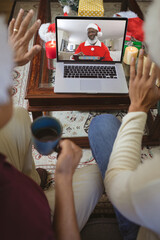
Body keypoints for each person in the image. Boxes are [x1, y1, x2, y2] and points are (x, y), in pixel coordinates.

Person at [0, 9, 104, 239]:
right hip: (38, 215)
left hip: (22, 189)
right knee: (97, 175)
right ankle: (37, 184)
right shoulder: (16, 203)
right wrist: (64, 177)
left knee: (18, 116)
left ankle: (34, 179)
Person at [88, 0, 160, 239]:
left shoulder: (103, 46)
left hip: (142, 226)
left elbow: (119, 184)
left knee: (102, 123)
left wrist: (138, 106)